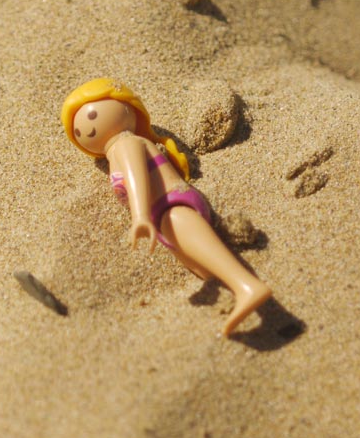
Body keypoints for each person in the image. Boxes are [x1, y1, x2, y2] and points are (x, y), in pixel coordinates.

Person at [61, 78, 273, 336]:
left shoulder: (124, 144)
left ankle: (246, 286)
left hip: (172, 207)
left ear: (127, 107)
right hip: (164, 215)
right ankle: (235, 287)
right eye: (76, 130)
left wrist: (140, 215)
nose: (85, 129)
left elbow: (136, 175)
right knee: (205, 268)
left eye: (92, 116)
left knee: (217, 262)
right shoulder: (117, 149)